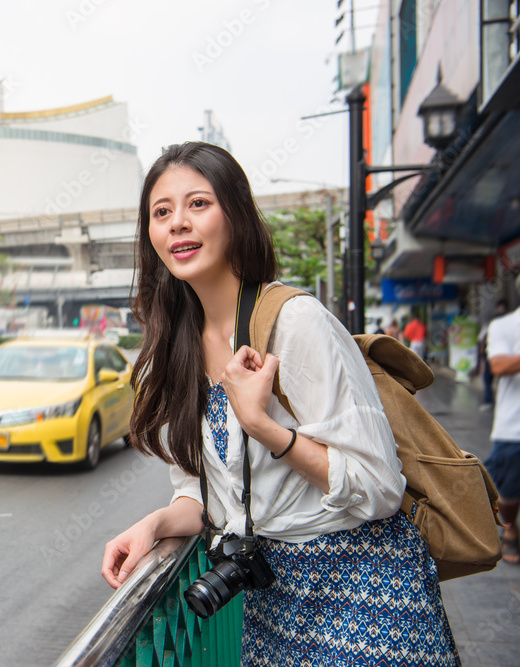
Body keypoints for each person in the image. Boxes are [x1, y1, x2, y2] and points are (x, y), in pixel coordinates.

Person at [100, 142, 459, 665]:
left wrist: (262, 426)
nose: (178, 222)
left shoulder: (294, 322)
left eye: (198, 203)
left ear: (235, 215)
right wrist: (155, 524)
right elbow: (206, 496)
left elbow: (380, 488)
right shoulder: (171, 352)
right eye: (162, 212)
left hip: (366, 591)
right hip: (271, 601)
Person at [483, 283, 520, 565]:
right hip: (514, 427)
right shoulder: (505, 326)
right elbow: (498, 366)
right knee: (508, 494)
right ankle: (509, 526)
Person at [478, 300, 507, 410]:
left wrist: (481, 355)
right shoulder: (505, 326)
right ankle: (495, 401)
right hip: (497, 357)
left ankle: (489, 401)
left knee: (488, 380)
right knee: (499, 382)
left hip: (492, 357)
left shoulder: (490, 326)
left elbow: (482, 340)